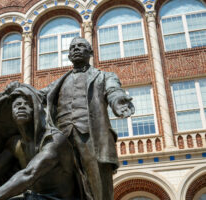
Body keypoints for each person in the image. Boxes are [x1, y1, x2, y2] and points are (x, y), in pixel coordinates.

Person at [7, 37, 134, 200]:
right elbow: (37, 96)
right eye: (72, 47)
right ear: (68, 56)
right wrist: (20, 88)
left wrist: (118, 102)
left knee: (98, 185)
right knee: (64, 185)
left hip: (91, 136)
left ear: (90, 52)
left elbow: (113, 91)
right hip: (61, 139)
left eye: (81, 46)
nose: (76, 49)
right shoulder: (59, 82)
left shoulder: (103, 76)